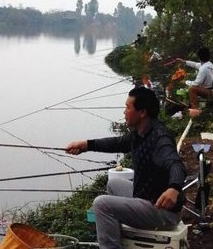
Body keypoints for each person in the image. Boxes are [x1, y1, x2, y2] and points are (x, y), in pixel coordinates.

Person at [65, 87, 186, 249]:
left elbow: (176, 164)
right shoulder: (140, 133)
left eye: (128, 107)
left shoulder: (159, 138)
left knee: (101, 204)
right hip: (145, 198)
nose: (124, 112)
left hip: (163, 212)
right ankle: (119, 237)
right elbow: (117, 143)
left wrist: (174, 188)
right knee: (114, 184)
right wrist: (86, 145)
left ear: (142, 112)